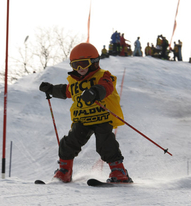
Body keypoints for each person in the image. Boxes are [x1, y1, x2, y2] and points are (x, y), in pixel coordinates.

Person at [39, 42, 133, 183]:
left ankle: (119, 171)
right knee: (69, 143)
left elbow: (106, 86)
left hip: (102, 117)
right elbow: (66, 91)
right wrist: (51, 89)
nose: (80, 68)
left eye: (84, 63)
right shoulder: (75, 81)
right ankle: (65, 171)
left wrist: (95, 91)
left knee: (105, 144)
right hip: (83, 120)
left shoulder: (103, 75)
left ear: (94, 62)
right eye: (76, 65)